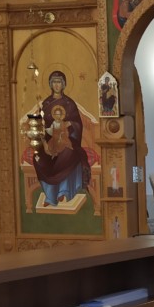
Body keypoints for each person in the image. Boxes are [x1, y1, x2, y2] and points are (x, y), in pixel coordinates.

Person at [35, 70, 90, 207]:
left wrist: (71, 124)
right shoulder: (46, 104)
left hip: (68, 140)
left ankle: (63, 191)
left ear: (64, 84)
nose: (56, 85)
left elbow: (78, 124)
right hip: (50, 141)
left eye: (59, 82)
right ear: (50, 84)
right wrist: (45, 144)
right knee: (39, 158)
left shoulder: (69, 103)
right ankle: (50, 196)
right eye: (54, 82)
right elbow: (41, 127)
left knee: (67, 154)